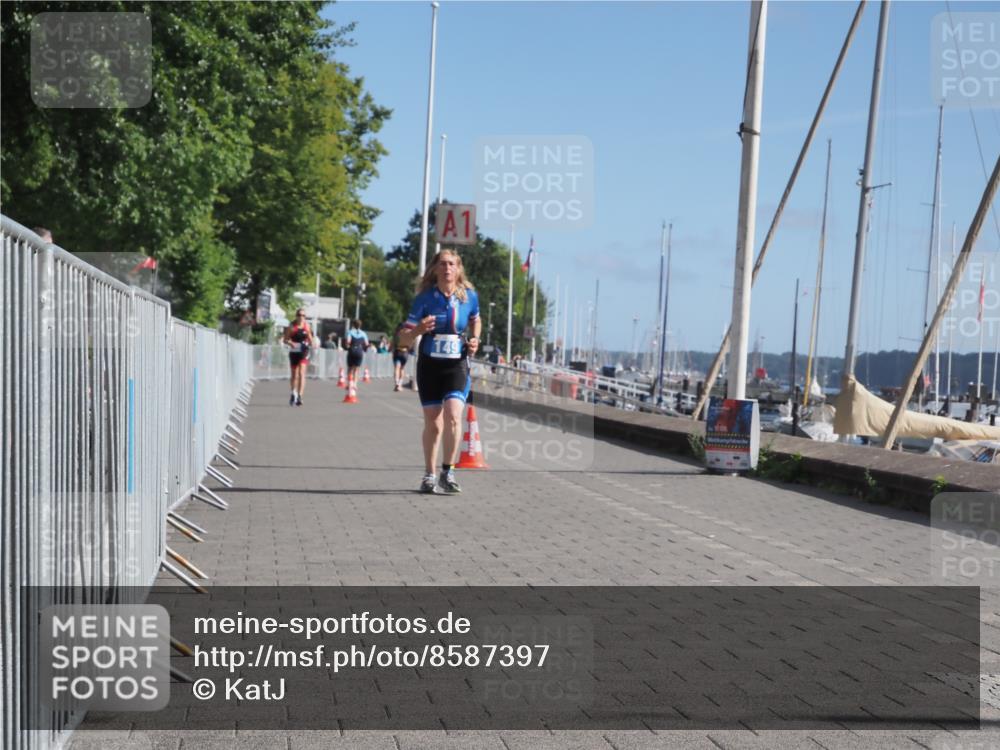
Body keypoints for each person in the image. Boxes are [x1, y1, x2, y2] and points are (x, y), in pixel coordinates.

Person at [397, 249, 480, 494]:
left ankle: (448, 471)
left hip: (456, 364)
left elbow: (476, 319)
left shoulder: (469, 297)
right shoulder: (424, 298)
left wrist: (475, 339)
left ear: (458, 268)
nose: (447, 269)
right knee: (433, 422)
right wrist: (417, 330)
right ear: (435, 268)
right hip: (430, 364)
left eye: (451, 264)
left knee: (454, 416)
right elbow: (402, 340)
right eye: (442, 264)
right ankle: (429, 474)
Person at [282, 309, 315, 406]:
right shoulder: (291, 327)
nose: (302, 317)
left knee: (301, 373)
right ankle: (293, 393)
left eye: (304, 315)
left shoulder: (307, 326)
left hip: (303, 352)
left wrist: (310, 343)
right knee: (294, 375)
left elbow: (311, 339)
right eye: (300, 315)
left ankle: (300, 396)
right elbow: (285, 340)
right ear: (296, 316)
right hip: (294, 352)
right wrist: (291, 343)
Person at [344, 318, 369, 385]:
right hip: (359, 351)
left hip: (352, 350)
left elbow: (348, 342)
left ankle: (349, 383)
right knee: (356, 369)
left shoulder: (350, 332)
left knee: (350, 368)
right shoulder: (363, 334)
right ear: (360, 325)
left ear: (353, 325)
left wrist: (347, 347)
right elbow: (367, 344)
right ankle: (354, 384)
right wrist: (364, 349)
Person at [391, 323, 410, 392]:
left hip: (397, 351)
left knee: (396, 368)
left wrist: (392, 352)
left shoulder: (396, 335)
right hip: (405, 352)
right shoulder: (407, 334)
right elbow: (410, 344)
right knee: (402, 368)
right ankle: (400, 384)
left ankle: (396, 383)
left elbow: (392, 344)